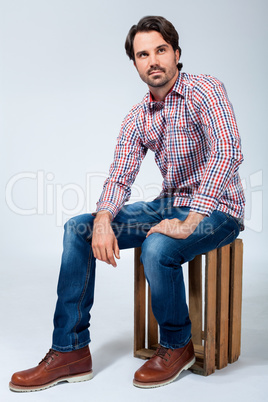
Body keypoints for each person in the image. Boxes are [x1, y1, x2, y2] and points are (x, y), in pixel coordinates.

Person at [9, 15, 245, 392]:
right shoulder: (138, 117)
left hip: (218, 208)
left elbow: (227, 152)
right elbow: (120, 176)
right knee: (78, 227)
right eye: (143, 54)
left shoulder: (205, 90)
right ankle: (70, 350)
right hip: (169, 204)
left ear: (176, 54)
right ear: (135, 63)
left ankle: (176, 344)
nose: (153, 60)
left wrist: (187, 223)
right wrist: (102, 219)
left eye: (160, 50)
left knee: (157, 245)